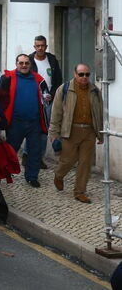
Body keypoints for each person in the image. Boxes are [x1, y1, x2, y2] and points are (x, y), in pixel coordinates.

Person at [49, 64, 103, 203]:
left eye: (87, 74)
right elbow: (56, 112)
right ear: (75, 74)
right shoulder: (65, 89)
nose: (84, 77)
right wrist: (54, 132)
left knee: (85, 163)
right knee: (67, 160)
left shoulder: (95, 91)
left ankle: (80, 192)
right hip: (71, 130)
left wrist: (100, 134)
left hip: (89, 132)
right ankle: (59, 175)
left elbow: (100, 113)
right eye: (81, 74)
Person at [0, 54, 48, 187]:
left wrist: (47, 97)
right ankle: (4, 173)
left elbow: (46, 96)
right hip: (15, 122)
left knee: (34, 152)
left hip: (34, 122)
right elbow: (0, 100)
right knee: (10, 150)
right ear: (16, 64)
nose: (24, 65)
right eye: (21, 63)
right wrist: (1, 123)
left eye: (26, 63)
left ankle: (32, 177)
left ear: (30, 65)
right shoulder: (7, 78)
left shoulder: (38, 79)